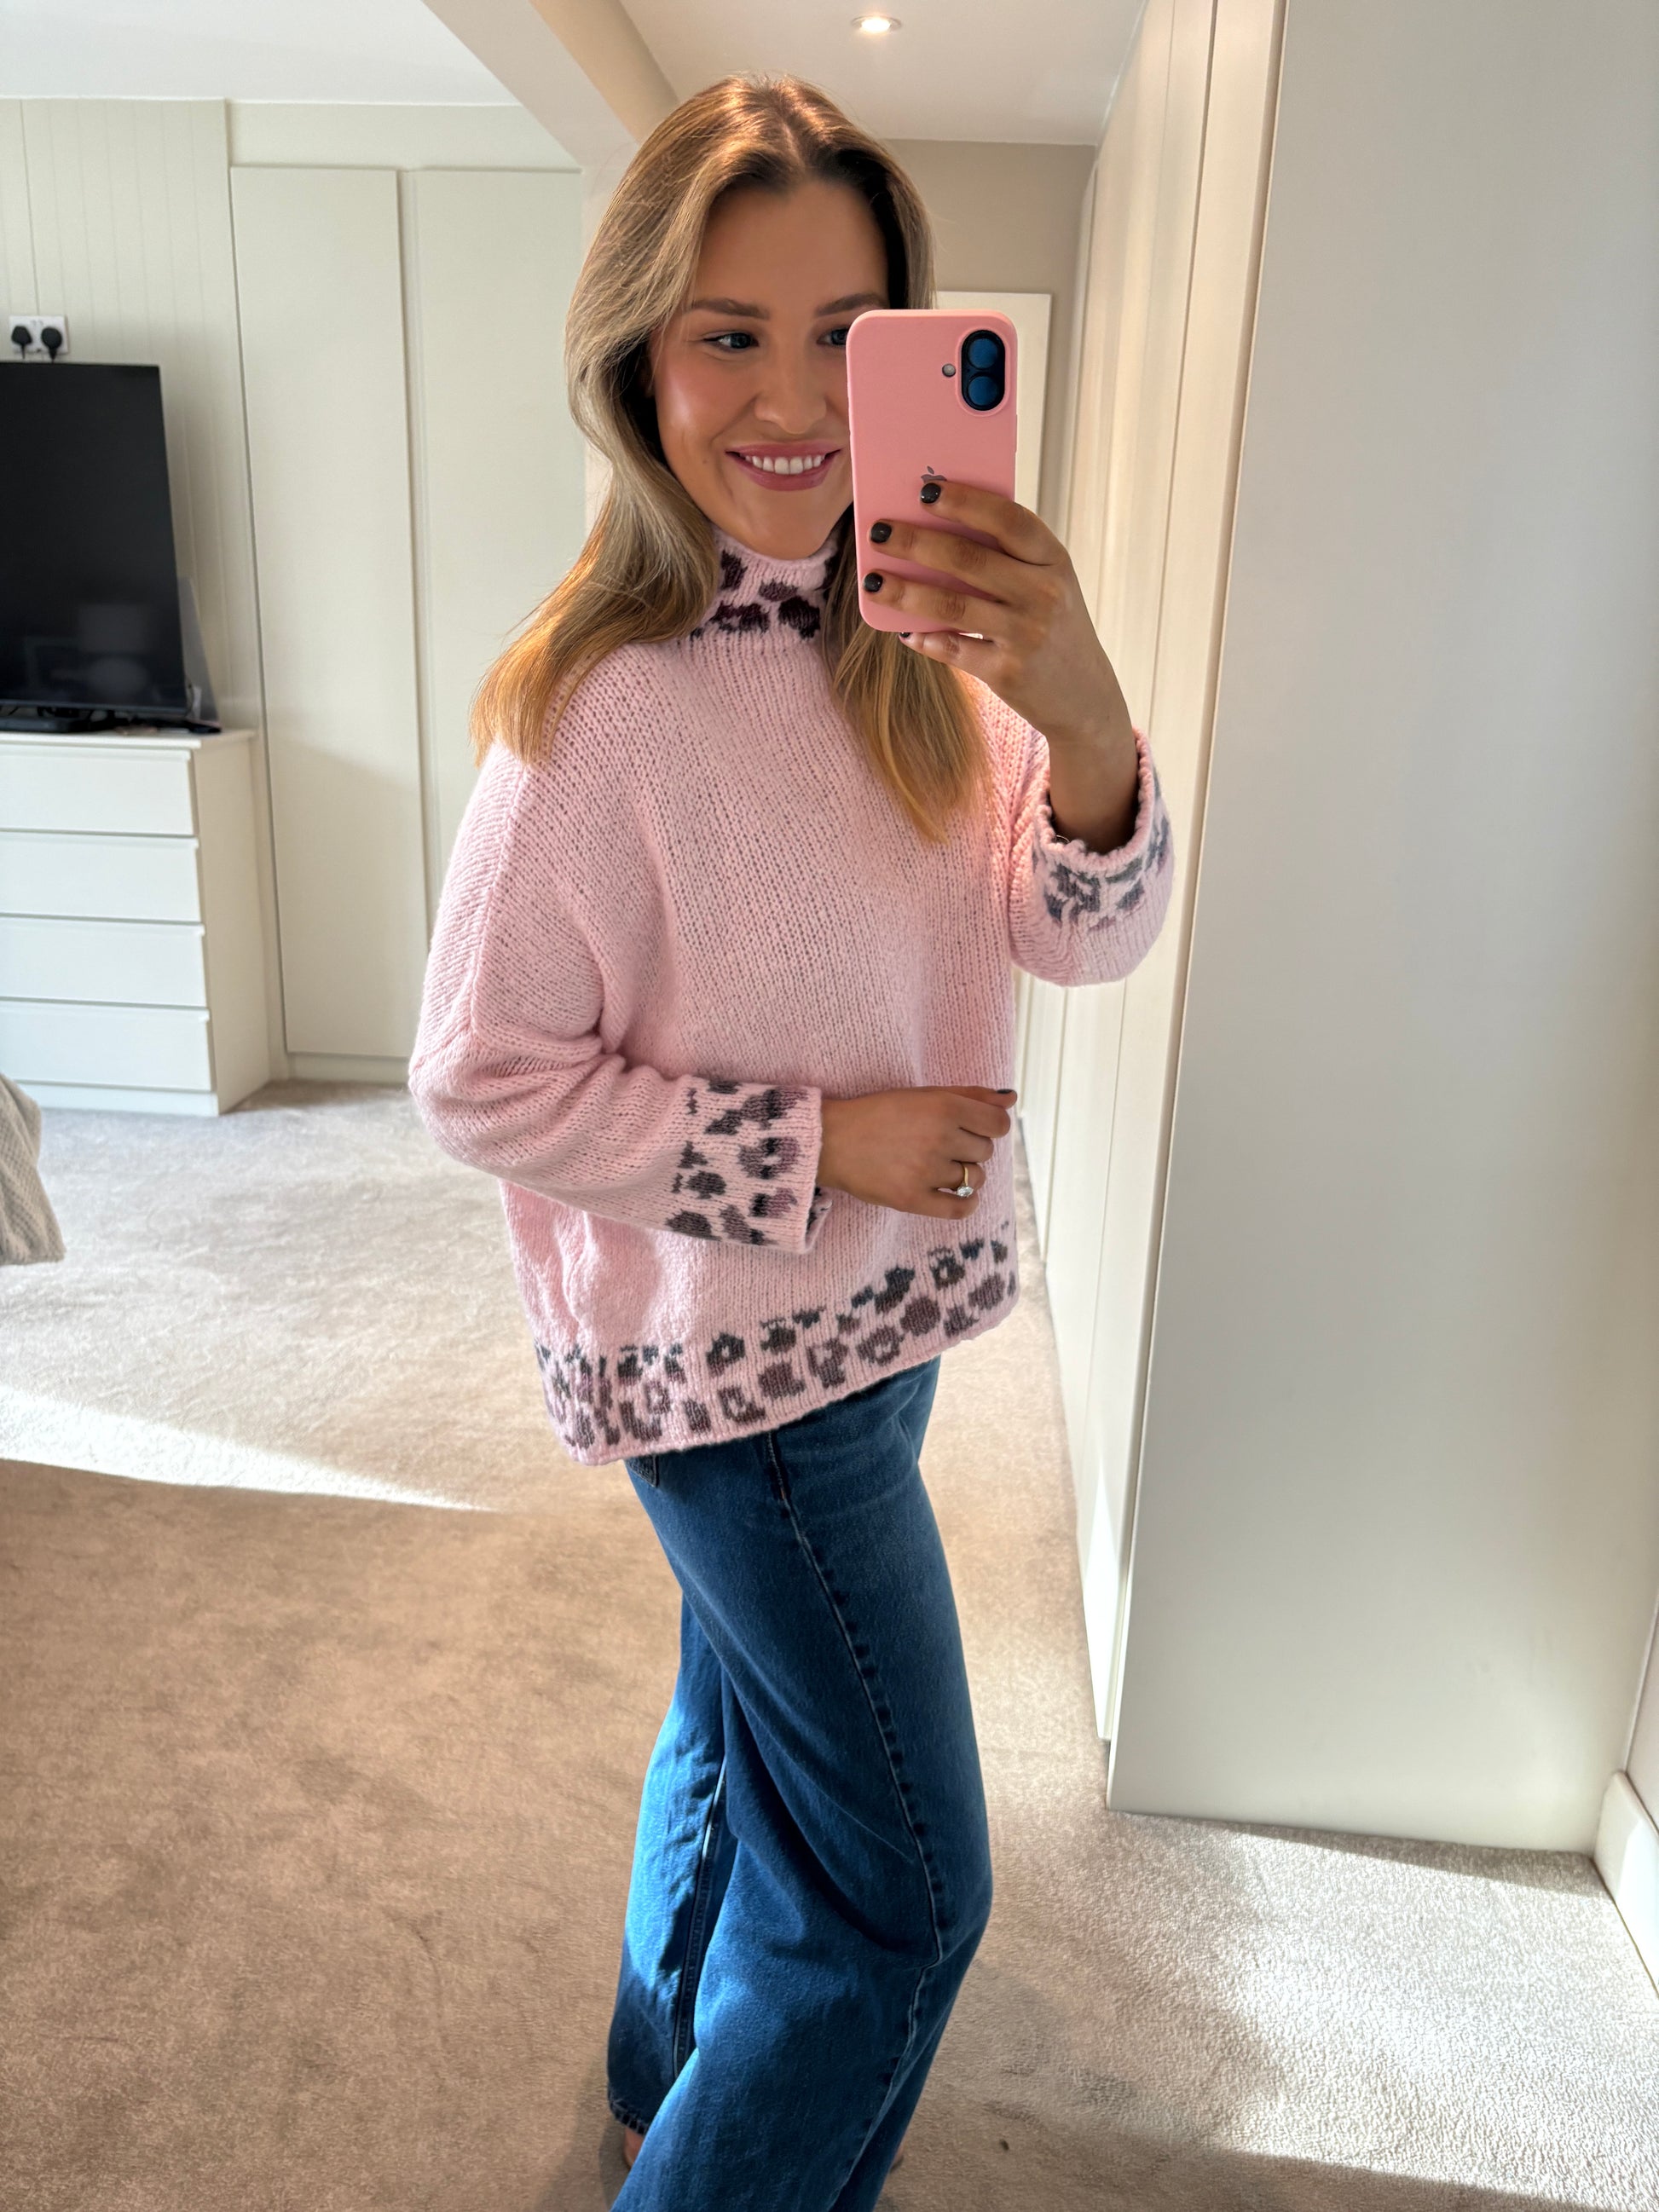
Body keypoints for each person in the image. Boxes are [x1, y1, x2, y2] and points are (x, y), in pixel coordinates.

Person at [407, 71, 1173, 2212]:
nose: (793, 400)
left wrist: (1083, 710)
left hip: (877, 1336)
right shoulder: (594, 715)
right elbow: (476, 1075)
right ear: (634, 357)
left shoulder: (932, 652)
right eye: (726, 332)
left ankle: (658, 2084)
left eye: (849, 337)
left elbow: (1078, 929)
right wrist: (822, 1143)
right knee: (900, 1902)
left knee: (740, 1724)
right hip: (741, 1389)